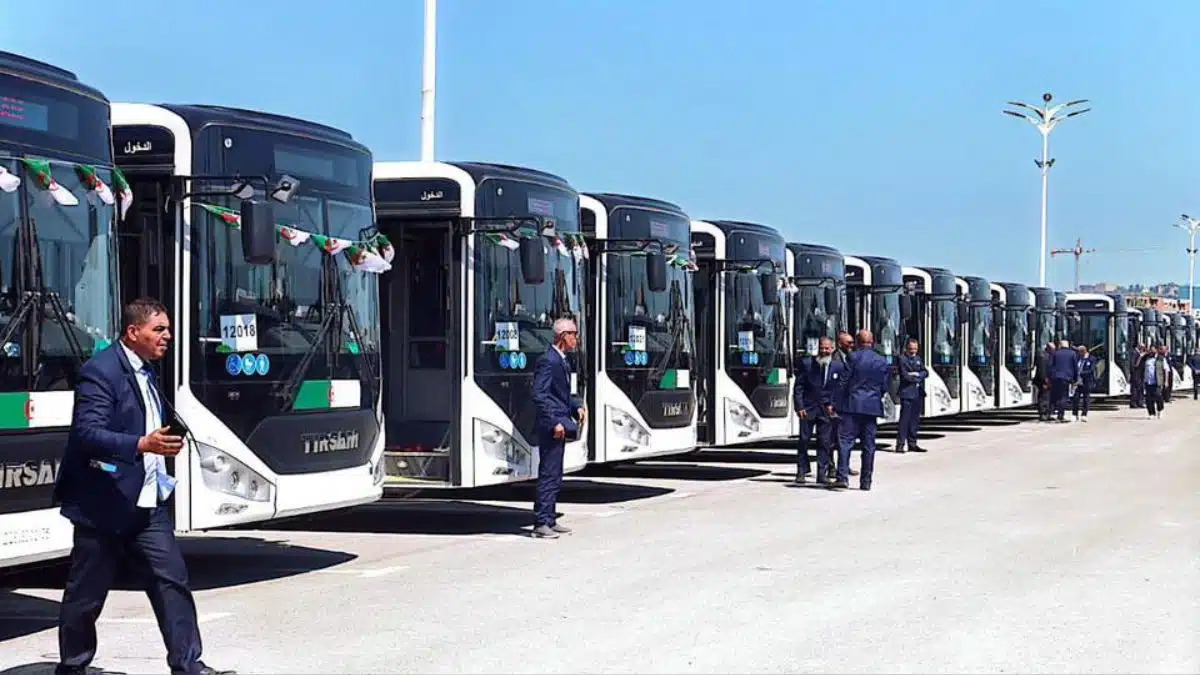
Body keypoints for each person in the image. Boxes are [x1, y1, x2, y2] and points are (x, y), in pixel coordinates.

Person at [53, 298, 232, 675]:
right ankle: (73, 667)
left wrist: (165, 441)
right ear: (133, 333)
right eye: (159, 330)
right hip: (104, 502)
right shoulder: (99, 372)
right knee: (86, 595)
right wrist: (141, 444)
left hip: (148, 499)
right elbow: (86, 434)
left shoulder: (146, 370)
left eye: (167, 329)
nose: (167, 336)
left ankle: (188, 665)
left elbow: (147, 421)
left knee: (172, 582)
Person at [530, 316, 586, 539]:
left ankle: (550, 519)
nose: (577, 339)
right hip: (552, 426)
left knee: (556, 475)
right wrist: (555, 422)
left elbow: (561, 394)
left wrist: (577, 406)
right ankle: (541, 522)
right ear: (564, 336)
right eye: (574, 334)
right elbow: (539, 395)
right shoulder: (548, 361)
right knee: (548, 474)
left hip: (560, 422)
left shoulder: (562, 360)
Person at [833, 330, 893, 491]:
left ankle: (842, 476)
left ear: (858, 342)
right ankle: (866, 481)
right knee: (869, 445)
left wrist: (836, 403)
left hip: (852, 405)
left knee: (845, 442)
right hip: (872, 407)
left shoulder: (852, 357)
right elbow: (885, 386)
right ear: (872, 341)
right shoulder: (881, 361)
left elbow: (843, 382)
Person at [792, 336, 843, 484]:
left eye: (827, 348)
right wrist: (799, 406)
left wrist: (835, 406)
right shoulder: (807, 364)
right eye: (822, 348)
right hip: (808, 409)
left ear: (832, 349)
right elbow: (798, 387)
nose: (824, 351)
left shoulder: (838, 367)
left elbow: (840, 389)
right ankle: (801, 471)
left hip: (826, 410)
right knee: (804, 440)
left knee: (824, 442)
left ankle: (822, 473)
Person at [895, 338, 927, 453]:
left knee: (915, 420)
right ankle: (900, 444)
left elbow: (925, 372)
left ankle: (912, 443)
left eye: (915, 349)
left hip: (918, 393)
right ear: (906, 348)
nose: (913, 351)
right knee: (904, 420)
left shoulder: (918, 359)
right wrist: (916, 377)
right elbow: (904, 376)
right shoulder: (902, 359)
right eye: (911, 349)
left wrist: (917, 374)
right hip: (907, 393)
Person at [1047, 338, 1078, 423]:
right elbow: (1075, 367)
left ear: (1060, 345)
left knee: (1055, 395)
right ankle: (1060, 415)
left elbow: (1050, 366)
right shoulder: (1072, 354)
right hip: (1066, 378)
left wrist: (1049, 378)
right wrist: (1075, 379)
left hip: (1055, 377)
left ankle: (1052, 412)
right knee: (1064, 396)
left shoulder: (1055, 353)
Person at [1072, 345, 1096, 422]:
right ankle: (1074, 414)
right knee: (1076, 398)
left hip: (1087, 381)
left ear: (1083, 351)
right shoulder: (1078, 358)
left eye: (1079, 352)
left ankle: (1084, 414)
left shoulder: (1091, 359)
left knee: (1086, 398)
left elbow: (1091, 370)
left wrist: (1081, 373)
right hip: (1078, 382)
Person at [1143, 347, 1167, 419]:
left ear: (1156, 350)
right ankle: (1151, 413)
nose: (1151, 351)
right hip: (1148, 381)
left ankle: (1160, 409)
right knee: (1149, 399)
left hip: (1157, 381)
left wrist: (1165, 381)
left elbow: (1166, 370)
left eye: (1153, 350)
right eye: (1150, 350)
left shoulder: (1161, 359)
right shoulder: (1146, 359)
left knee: (1158, 396)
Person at [1034, 341, 1055, 421]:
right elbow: (1042, 370)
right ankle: (1043, 413)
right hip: (1044, 380)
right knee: (1044, 397)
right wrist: (1045, 380)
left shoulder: (1048, 356)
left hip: (1047, 379)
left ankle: (1047, 413)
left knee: (1047, 397)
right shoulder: (1044, 357)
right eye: (1053, 349)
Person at [1128, 345, 1146, 409]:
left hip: (1140, 374)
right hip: (1136, 374)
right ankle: (1134, 403)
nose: (1143, 349)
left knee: (1140, 388)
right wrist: (1140, 357)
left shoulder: (1138, 353)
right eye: (1143, 348)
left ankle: (1140, 402)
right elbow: (1134, 364)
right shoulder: (1135, 353)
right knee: (1135, 389)